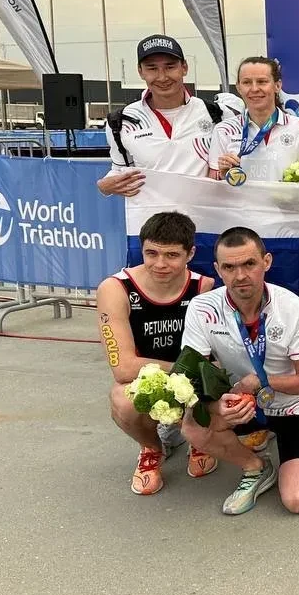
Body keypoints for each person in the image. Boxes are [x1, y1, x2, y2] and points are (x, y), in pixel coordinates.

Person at [180, 227, 299, 516]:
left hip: (291, 403)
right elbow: (191, 374)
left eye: (249, 264)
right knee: (192, 425)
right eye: (229, 267)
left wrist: (261, 380)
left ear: (266, 262)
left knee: (298, 501)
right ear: (217, 269)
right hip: (239, 401)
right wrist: (215, 405)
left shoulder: (293, 307)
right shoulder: (202, 307)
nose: (240, 275)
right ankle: (255, 466)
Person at [98, 211, 216, 495]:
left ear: (190, 254)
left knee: (221, 375)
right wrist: (182, 369)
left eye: (172, 255)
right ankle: (152, 448)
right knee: (122, 399)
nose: (160, 264)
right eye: (151, 253)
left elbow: (214, 359)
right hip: (152, 380)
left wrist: (195, 377)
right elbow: (124, 369)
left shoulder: (204, 287)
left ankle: (199, 437)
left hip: (196, 381)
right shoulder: (115, 289)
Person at [98, 36, 221, 197]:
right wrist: (104, 186)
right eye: (152, 68)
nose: (162, 77)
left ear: (184, 67)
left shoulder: (216, 114)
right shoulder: (120, 121)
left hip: (205, 212)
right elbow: (120, 170)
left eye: (170, 67)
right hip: (150, 213)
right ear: (140, 71)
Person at [209, 57, 299, 182]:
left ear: (277, 85)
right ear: (238, 88)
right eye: (247, 82)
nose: (254, 89)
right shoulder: (223, 130)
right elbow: (212, 183)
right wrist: (223, 175)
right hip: (240, 196)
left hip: (285, 197)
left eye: (262, 81)